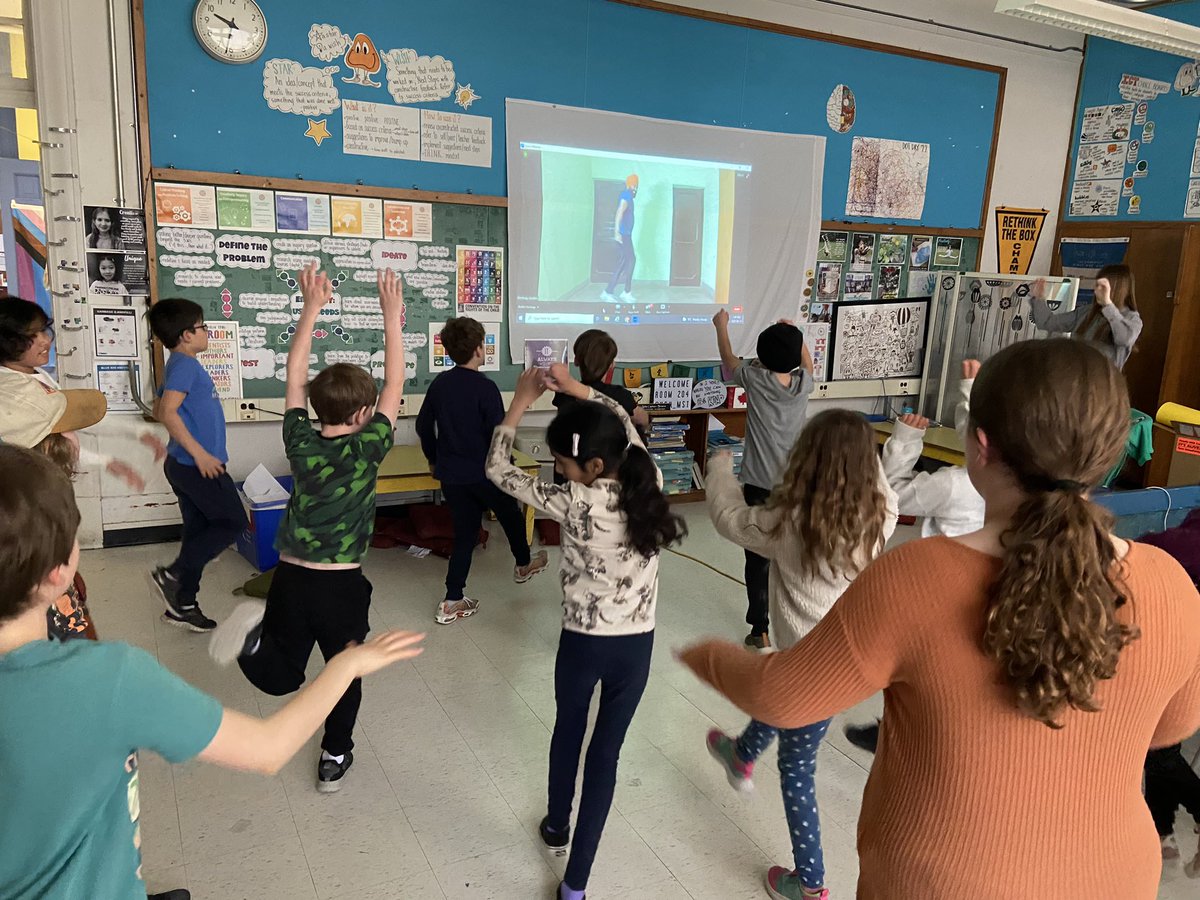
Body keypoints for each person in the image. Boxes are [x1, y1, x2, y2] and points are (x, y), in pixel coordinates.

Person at [679, 338, 1200, 899]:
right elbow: (1172, 728)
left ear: (979, 446)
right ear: (1112, 452)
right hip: (1115, 877)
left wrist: (701, 653)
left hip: (942, 880)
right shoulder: (1170, 582)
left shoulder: (914, 578)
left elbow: (783, 696)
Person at [0, 444, 424, 900]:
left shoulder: (300, 438)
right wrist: (347, 664)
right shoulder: (109, 679)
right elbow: (267, 749)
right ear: (60, 573)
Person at [487, 363, 685, 900]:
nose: (558, 471)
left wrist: (521, 403)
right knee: (606, 756)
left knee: (567, 731)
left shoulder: (573, 501)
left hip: (581, 645)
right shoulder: (651, 480)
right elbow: (624, 421)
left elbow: (499, 470)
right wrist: (578, 390)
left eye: (562, 463)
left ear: (593, 464)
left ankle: (556, 825)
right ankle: (576, 884)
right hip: (636, 649)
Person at [207, 264, 405, 791]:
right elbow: (396, 382)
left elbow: (294, 375)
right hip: (340, 584)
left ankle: (252, 642)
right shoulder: (369, 447)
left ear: (316, 407)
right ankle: (335, 753)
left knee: (282, 676)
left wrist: (310, 306)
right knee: (346, 670)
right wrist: (391, 316)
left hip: (289, 576)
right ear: (365, 413)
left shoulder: (299, 438)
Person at [704, 409, 897, 900]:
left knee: (796, 770)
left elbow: (730, 519)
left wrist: (720, 468)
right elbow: (881, 484)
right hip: (844, 662)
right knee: (779, 696)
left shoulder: (786, 522)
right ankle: (742, 754)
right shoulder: (880, 515)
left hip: (809, 669)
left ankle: (809, 882)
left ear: (803, 461)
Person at [417, 316, 548, 625]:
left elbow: (424, 426)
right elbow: (499, 433)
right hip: (486, 473)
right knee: (511, 515)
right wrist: (509, 468)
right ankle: (523, 564)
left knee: (464, 535)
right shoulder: (486, 388)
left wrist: (433, 459)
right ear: (479, 349)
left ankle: (452, 600)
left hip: (452, 474)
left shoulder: (439, 385)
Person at [712, 308, 815, 649]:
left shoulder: (756, 379)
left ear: (762, 357)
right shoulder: (803, 384)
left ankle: (760, 630)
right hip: (796, 486)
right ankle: (796, 622)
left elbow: (729, 361)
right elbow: (808, 364)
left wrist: (721, 326)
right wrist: (795, 332)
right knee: (791, 552)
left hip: (759, 484)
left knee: (757, 557)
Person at [147, 299, 242, 632]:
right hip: (197, 465)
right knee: (232, 522)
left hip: (184, 464)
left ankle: (183, 605)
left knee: (198, 535)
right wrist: (200, 453)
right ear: (187, 334)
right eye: (202, 326)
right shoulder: (185, 365)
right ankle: (171, 575)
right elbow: (169, 412)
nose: (207, 331)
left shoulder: (179, 363)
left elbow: (161, 409)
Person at [1138, 508, 1200, 874]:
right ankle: (1164, 836)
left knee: (1157, 747)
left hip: (1180, 652)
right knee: (1162, 742)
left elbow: (1141, 552)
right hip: (1184, 654)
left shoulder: (1184, 541)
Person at [1030, 265, 1141, 370]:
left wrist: (1108, 305)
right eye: (1097, 285)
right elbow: (1047, 322)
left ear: (1118, 288)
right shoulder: (1087, 311)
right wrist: (1038, 298)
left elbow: (1124, 339)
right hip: (1076, 377)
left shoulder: (1131, 318)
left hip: (1103, 383)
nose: (1097, 290)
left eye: (1103, 286)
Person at [552, 328, 650, 431]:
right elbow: (643, 420)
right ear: (612, 364)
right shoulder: (621, 396)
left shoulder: (563, 395)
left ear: (576, 361)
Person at [600, 174, 638, 303]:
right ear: (629, 184)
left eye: (636, 185)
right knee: (630, 260)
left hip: (626, 234)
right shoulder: (626, 195)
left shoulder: (629, 196)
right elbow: (619, 212)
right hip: (623, 235)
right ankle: (624, 292)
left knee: (625, 262)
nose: (635, 187)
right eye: (634, 184)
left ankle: (610, 291)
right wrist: (617, 232)